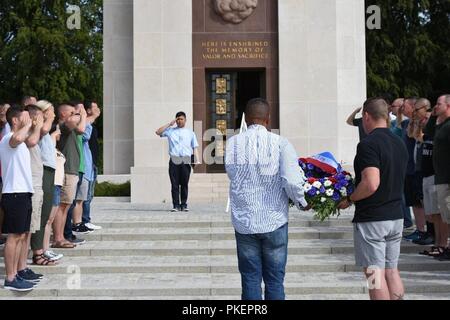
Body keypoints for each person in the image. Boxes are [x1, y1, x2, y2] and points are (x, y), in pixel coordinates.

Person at [225, 98, 309, 300]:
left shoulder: (233, 143)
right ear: (268, 118)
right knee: (274, 280)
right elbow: (291, 180)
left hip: (245, 221)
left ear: (245, 117)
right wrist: (302, 202)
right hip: (274, 220)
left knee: (250, 279)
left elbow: (232, 173)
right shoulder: (281, 143)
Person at [338, 97, 408, 300]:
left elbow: (371, 183)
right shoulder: (399, 142)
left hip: (373, 219)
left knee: (374, 274)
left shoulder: (368, 144)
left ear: (366, 116)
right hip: (396, 216)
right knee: (392, 271)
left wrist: (350, 198)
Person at [0, 106, 39, 291]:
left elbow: (26, 139)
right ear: (15, 120)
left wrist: (31, 126)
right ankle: (10, 277)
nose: (28, 119)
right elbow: (16, 138)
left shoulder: (22, 141)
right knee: (14, 236)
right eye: (24, 117)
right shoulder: (9, 138)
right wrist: (28, 125)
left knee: (22, 235)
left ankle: (16, 273)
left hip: (23, 193)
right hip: (14, 193)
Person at [156, 111, 199, 212]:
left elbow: (195, 147)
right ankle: (175, 205)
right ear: (175, 120)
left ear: (185, 120)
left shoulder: (190, 133)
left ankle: (183, 205)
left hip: (186, 159)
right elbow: (158, 132)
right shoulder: (170, 131)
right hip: (174, 159)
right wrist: (169, 124)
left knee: (184, 183)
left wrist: (196, 160)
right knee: (174, 184)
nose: (179, 121)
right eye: (178, 119)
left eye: (181, 119)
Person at [432, 94, 450, 260]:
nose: (435, 107)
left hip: (447, 179)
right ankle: (444, 246)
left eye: (439, 104)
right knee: (446, 215)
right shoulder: (442, 125)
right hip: (441, 177)